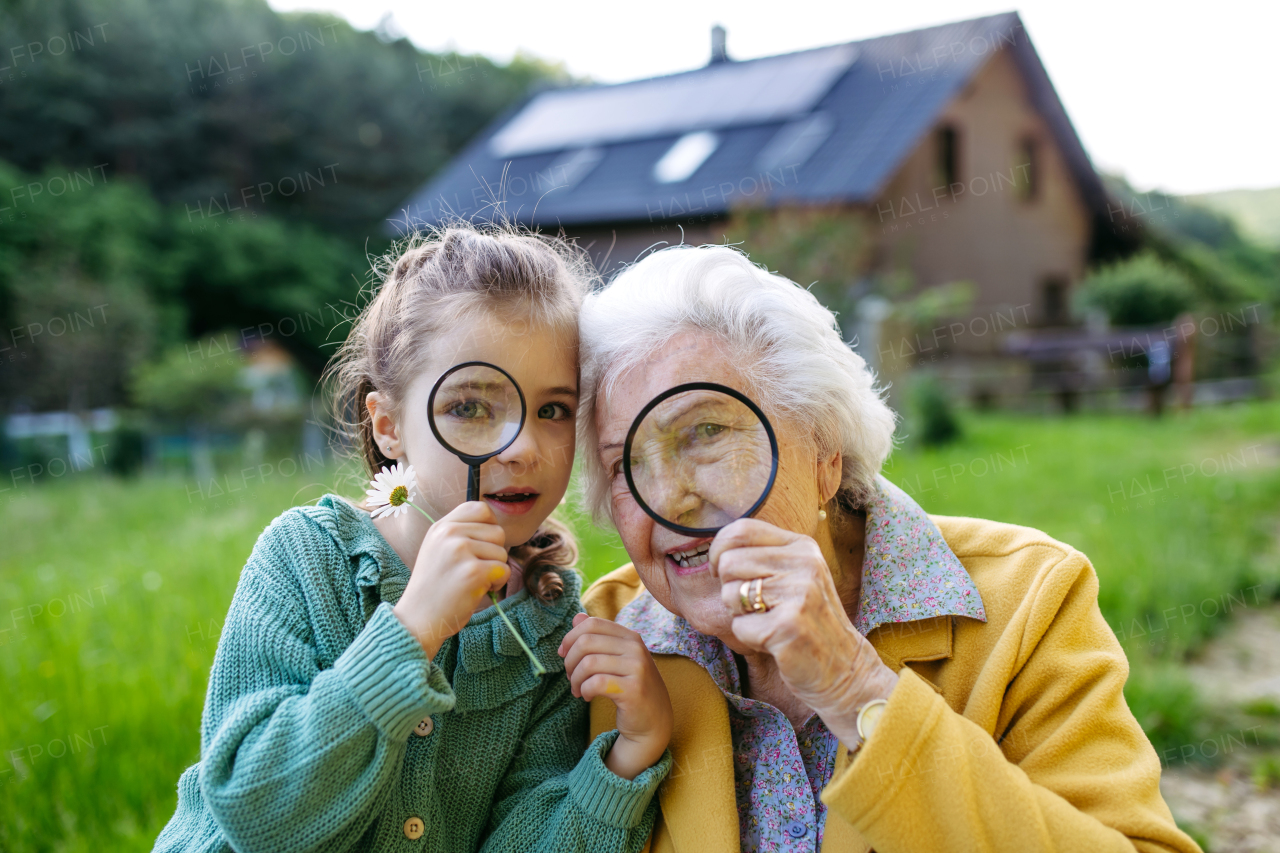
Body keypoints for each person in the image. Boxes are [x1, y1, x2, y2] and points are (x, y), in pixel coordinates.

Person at [569, 244, 1202, 853]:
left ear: (824, 451)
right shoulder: (601, 640)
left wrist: (854, 687)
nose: (669, 498)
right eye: (624, 466)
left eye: (705, 432)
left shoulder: (1028, 603)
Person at [154, 224, 673, 853]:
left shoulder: (547, 626)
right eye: (471, 407)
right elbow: (255, 813)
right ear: (390, 426)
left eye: (553, 410)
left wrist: (628, 757)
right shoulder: (307, 558)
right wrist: (413, 629)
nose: (523, 447)